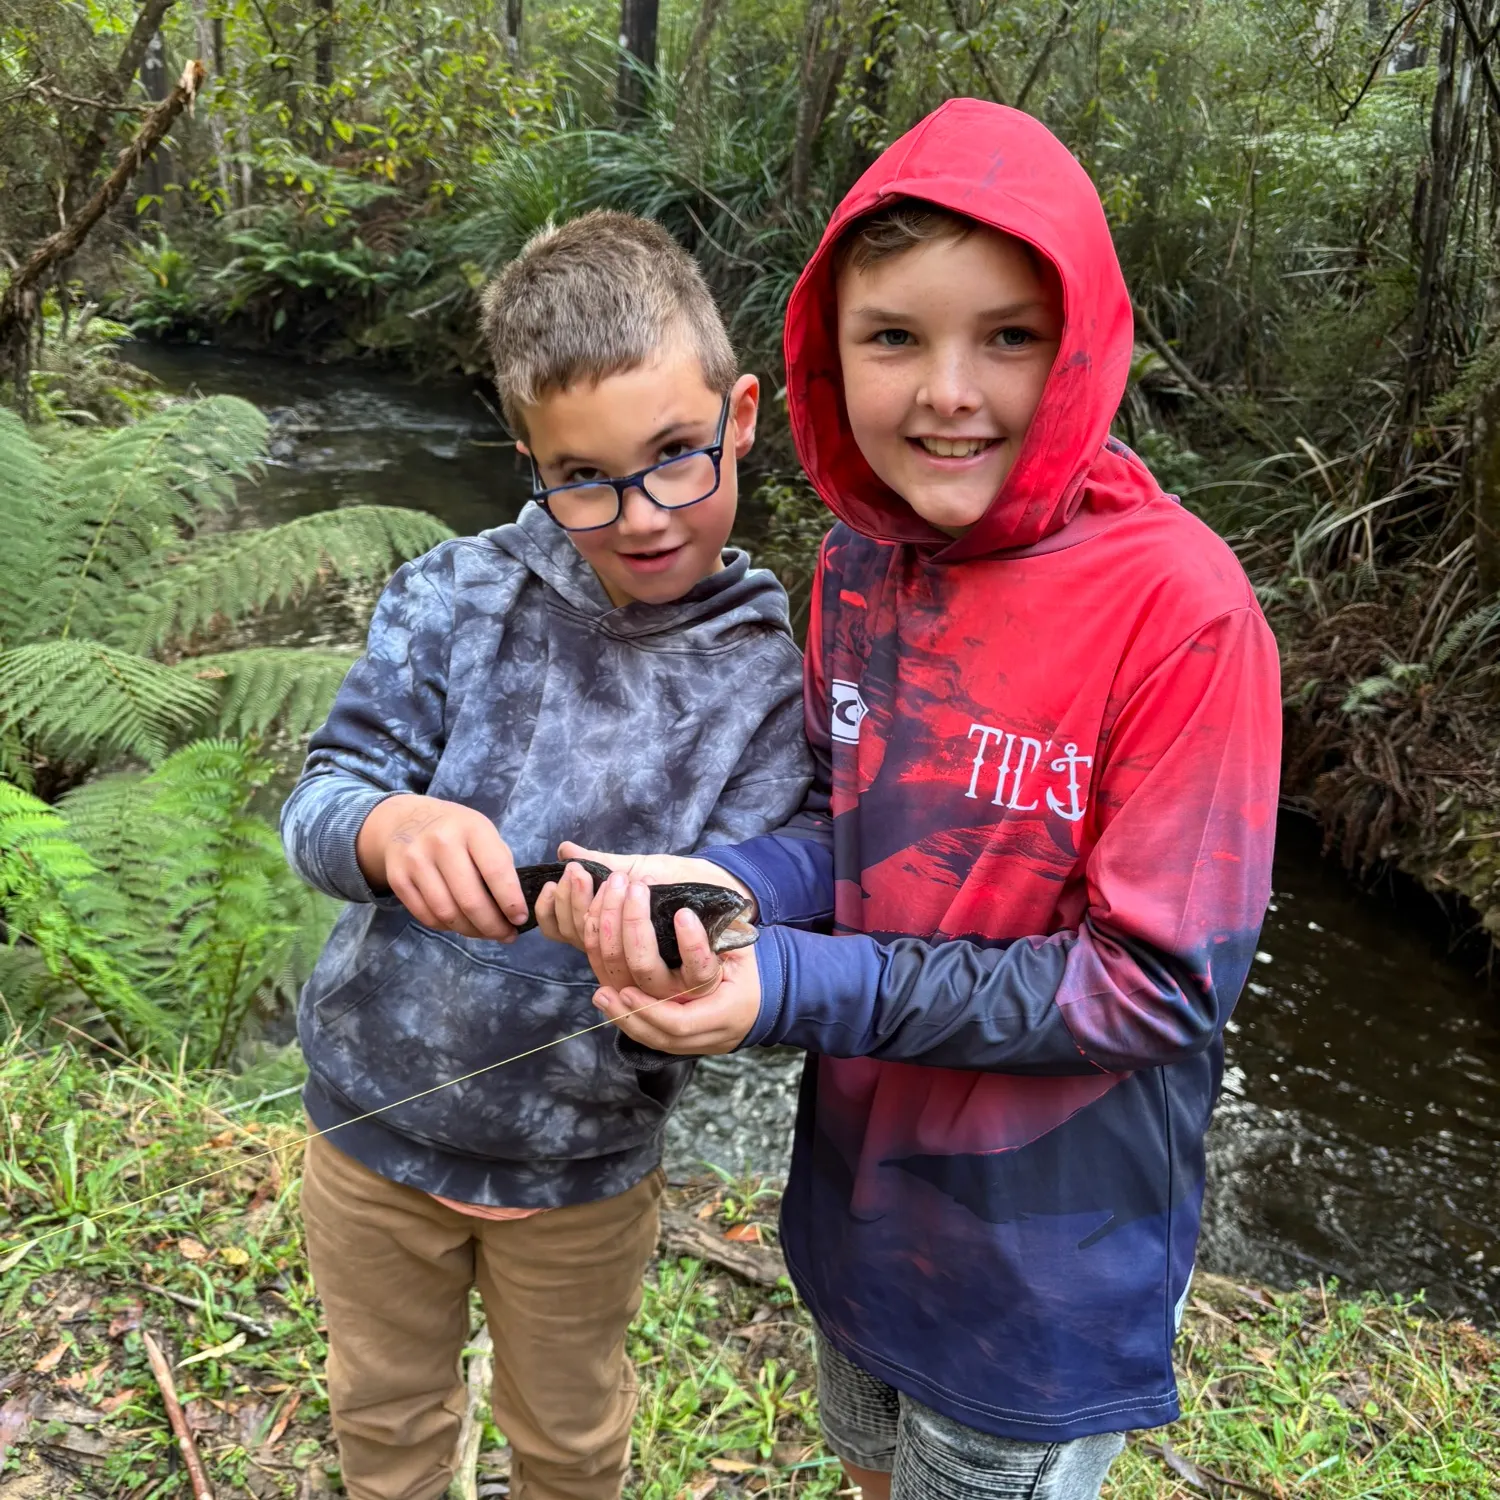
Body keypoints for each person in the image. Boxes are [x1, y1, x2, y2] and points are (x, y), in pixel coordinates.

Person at [540, 101, 1282, 1499]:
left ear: (1084, 345)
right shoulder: (857, 566)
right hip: (861, 1221)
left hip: (1040, 1287)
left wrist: (794, 987)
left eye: (1009, 334)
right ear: (828, 353)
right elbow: (850, 829)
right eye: (894, 337)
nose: (949, 391)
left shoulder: (1187, 615)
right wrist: (731, 892)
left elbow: (1156, 991)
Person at [279, 210, 812, 1500]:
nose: (639, 515)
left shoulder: (768, 680)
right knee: (385, 1414)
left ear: (741, 416)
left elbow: (770, 916)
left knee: (570, 1439)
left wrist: (683, 944)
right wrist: (389, 827)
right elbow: (321, 800)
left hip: (582, 1172)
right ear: (528, 458)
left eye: (678, 456)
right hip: (370, 1135)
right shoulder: (452, 596)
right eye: (584, 476)